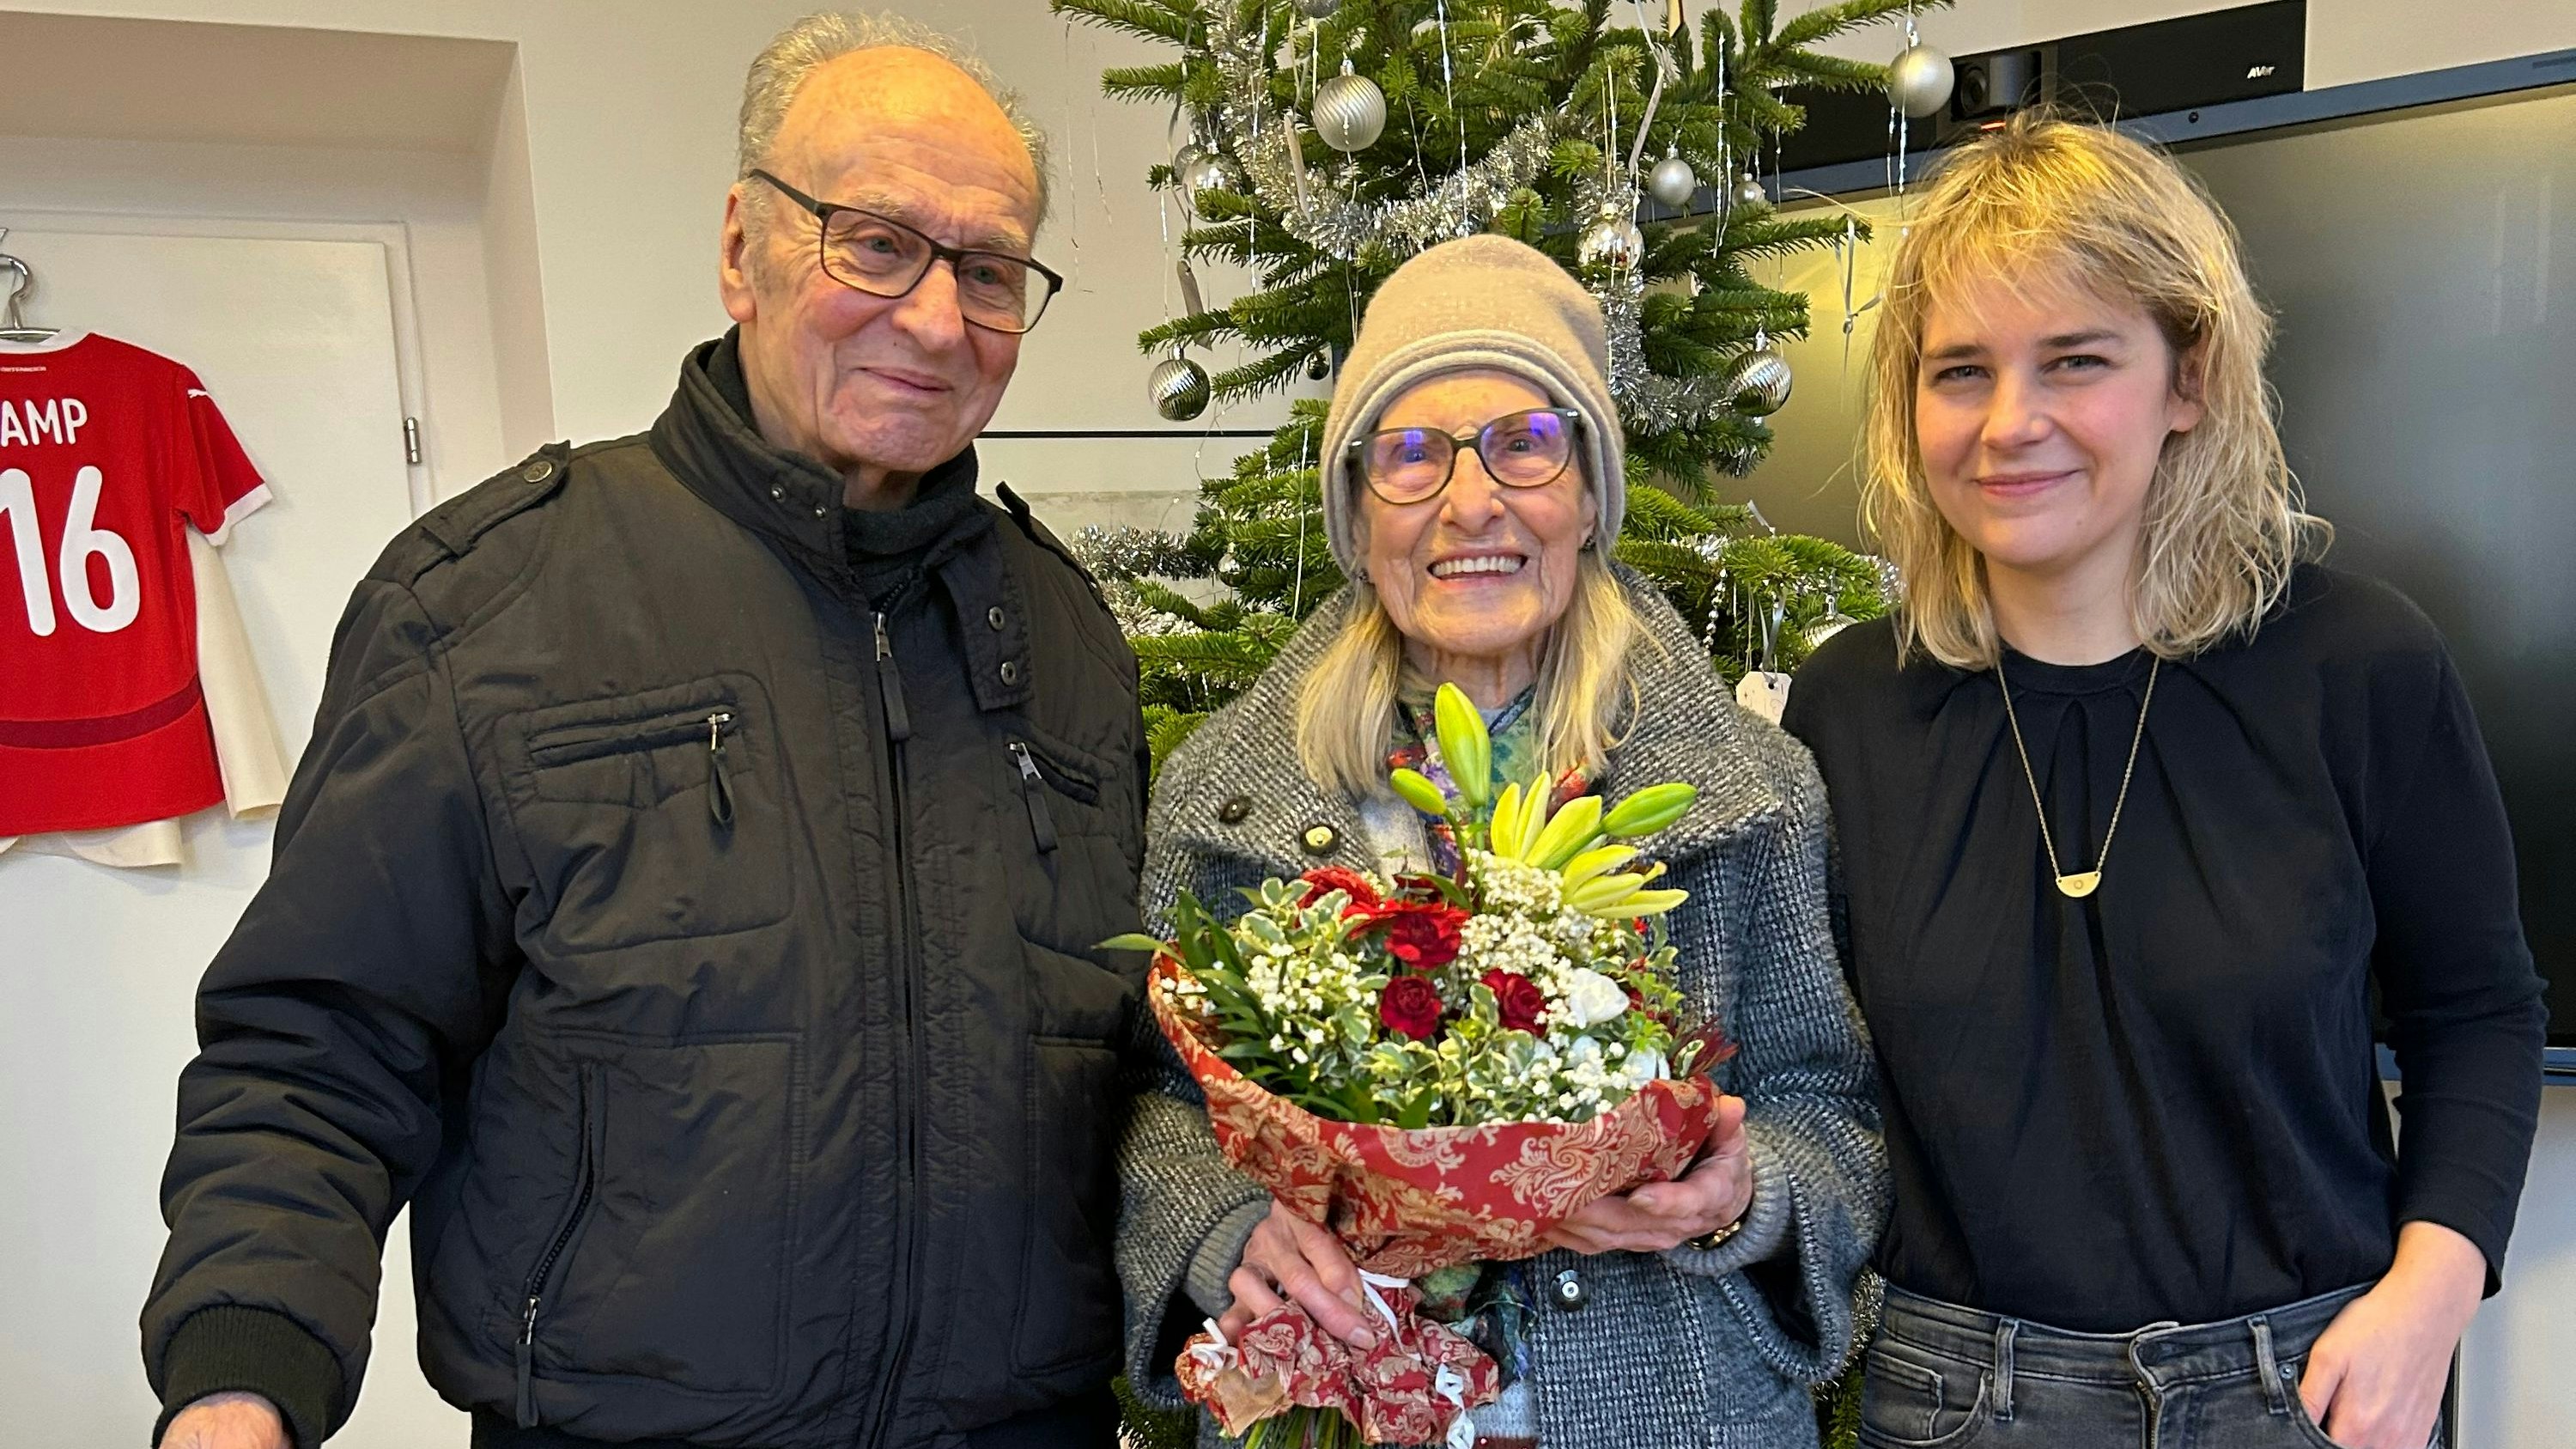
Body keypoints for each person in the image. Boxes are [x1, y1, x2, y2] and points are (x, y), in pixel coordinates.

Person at [143, 15, 1145, 1449]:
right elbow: (320, 1050)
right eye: (876, 243)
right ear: (744, 247)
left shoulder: (1066, 639)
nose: (937, 320)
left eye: (989, 270)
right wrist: (241, 1379)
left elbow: (1139, 1063)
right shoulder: (491, 604)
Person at [1784, 113, 2547, 1449]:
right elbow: (1808, 1071)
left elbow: (2476, 1011)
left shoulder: (2358, 664)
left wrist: (2432, 1294)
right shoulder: (1849, 704)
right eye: (1960, 370)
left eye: (2075, 361)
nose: (2010, 423)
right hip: (1962, 1398)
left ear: (2187, 377)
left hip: (2313, 1382)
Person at [1116, 234, 1886, 1448]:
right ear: (1359, 513)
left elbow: (1828, 1108)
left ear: (1587, 495)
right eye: (1412, 457)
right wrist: (1221, 1234)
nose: (1470, 502)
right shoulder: (1229, 793)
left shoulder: (1751, 791)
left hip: (1677, 1412)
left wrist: (1748, 1192)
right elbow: (1160, 1099)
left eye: (1525, 443)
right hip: (1338, 1404)